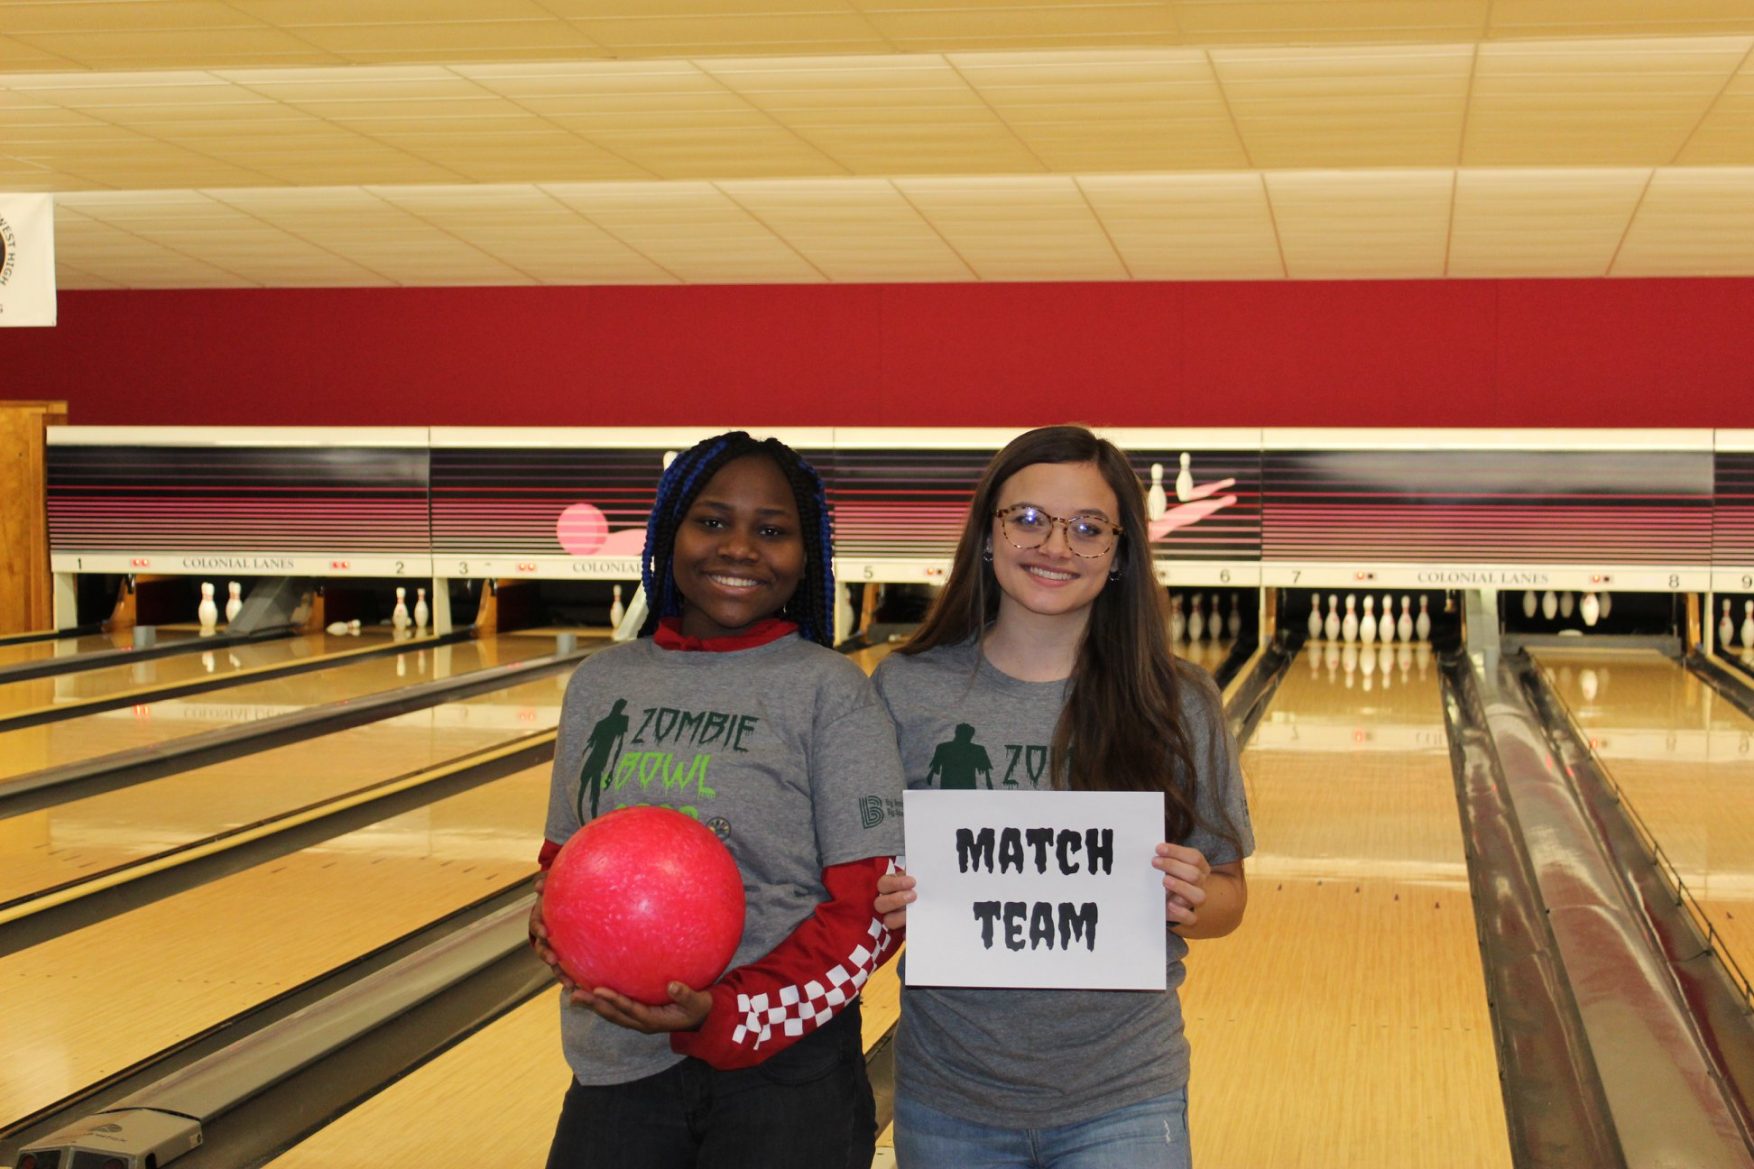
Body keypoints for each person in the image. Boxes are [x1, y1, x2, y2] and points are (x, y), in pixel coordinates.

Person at [872, 425, 1253, 1169]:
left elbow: (1231, 898)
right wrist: (881, 896)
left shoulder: (1179, 700)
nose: (1056, 545)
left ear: (1119, 552)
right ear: (988, 533)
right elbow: (864, 880)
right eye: (1028, 518)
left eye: (1087, 527)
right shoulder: (906, 690)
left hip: (1123, 1092)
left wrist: (1192, 896)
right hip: (949, 1091)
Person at [531, 430, 907, 1169]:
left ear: (806, 555)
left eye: (772, 530)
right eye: (711, 521)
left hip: (785, 1074)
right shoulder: (602, 684)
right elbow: (561, 859)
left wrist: (732, 1011)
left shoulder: (830, 692)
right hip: (617, 1062)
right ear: (671, 534)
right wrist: (553, 925)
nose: (740, 547)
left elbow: (871, 911)